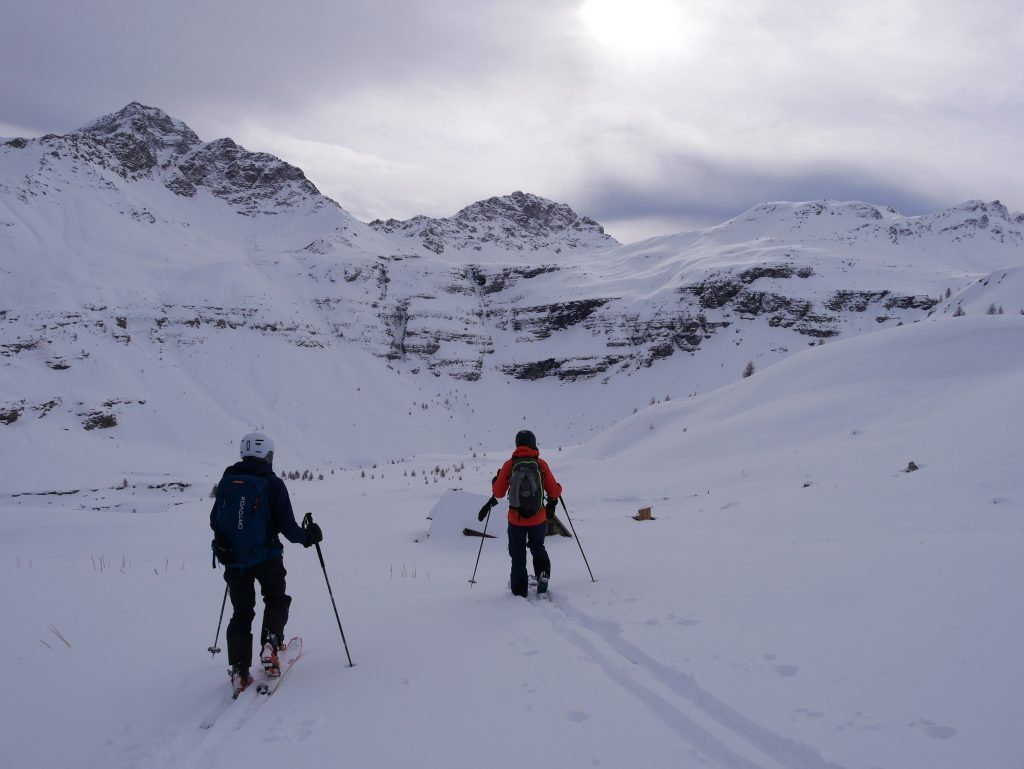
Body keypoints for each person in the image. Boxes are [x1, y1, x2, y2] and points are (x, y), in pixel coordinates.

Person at [210, 432, 322, 695]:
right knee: (275, 600)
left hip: (234, 561)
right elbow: (288, 527)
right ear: (268, 455)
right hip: (267, 557)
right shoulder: (272, 483)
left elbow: (216, 521)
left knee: (241, 613)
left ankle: (239, 670)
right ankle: (270, 645)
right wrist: (310, 538)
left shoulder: (227, 481)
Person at [479, 429, 562, 597]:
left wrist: (495, 481)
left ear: (517, 444)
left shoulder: (510, 464)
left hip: (516, 520)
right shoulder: (541, 464)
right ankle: (542, 574)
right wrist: (558, 488)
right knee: (537, 547)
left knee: (517, 554)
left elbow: (499, 493)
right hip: (538, 518)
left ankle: (519, 590)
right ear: (533, 443)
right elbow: (554, 491)